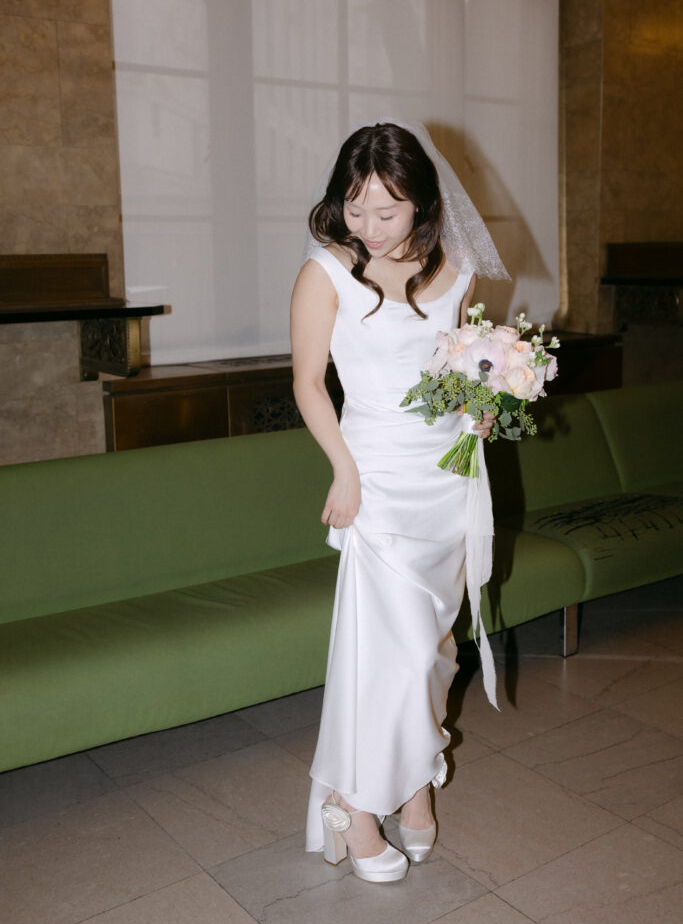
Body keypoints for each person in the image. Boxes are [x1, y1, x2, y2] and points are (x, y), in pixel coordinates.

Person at [290, 122, 509, 884]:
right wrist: (342, 471)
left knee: (436, 650)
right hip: (374, 478)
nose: (369, 228)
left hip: (447, 480)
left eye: (386, 211)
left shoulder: (455, 268)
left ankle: (414, 788)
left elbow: (459, 360)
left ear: (422, 204)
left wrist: (481, 402)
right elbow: (308, 384)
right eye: (353, 209)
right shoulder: (324, 273)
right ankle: (353, 809)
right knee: (385, 655)